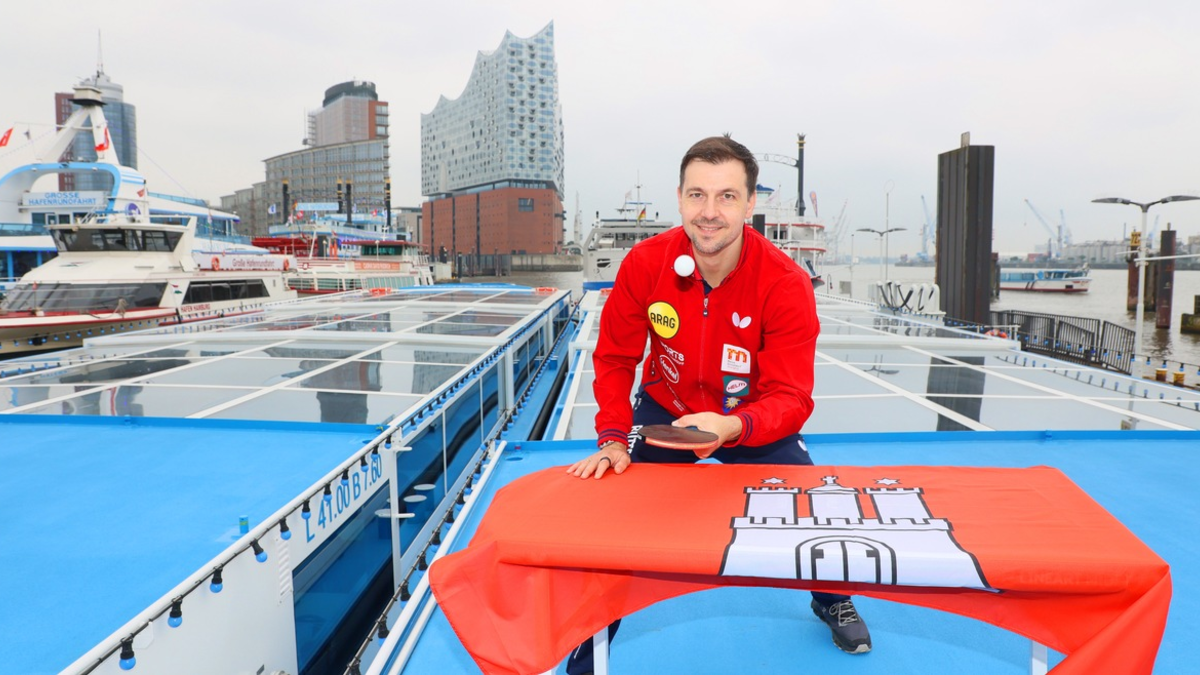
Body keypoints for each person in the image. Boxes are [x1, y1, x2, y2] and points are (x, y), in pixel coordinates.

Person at [565, 135, 871, 673]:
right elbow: (615, 358)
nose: (710, 213)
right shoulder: (645, 264)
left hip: (752, 418)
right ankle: (597, 630)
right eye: (697, 196)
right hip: (667, 414)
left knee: (808, 505)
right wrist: (613, 437)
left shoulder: (785, 283)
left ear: (751, 203)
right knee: (621, 512)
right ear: (679, 198)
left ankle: (829, 595)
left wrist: (734, 425)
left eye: (727, 196)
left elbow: (793, 395)